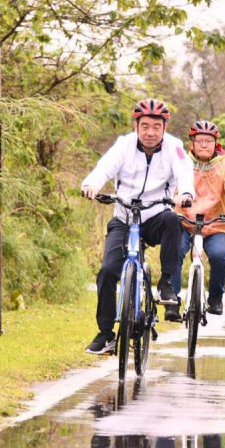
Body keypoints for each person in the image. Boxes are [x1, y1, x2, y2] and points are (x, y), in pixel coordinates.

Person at [81, 98, 194, 355]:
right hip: (124, 216)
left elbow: (185, 172)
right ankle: (106, 334)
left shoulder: (174, 147)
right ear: (136, 125)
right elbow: (104, 168)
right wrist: (92, 184)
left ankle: (166, 283)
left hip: (155, 215)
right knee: (108, 272)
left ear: (165, 127)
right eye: (145, 126)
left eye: (156, 126)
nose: (150, 132)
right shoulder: (124, 145)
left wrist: (185, 193)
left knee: (173, 221)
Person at [170, 120, 225, 317]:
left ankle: (215, 297)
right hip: (184, 221)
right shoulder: (182, 162)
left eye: (208, 141)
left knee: (220, 256)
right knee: (176, 251)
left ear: (216, 144)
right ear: (192, 144)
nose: (204, 145)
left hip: (215, 224)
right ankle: (172, 298)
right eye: (200, 141)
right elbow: (170, 186)